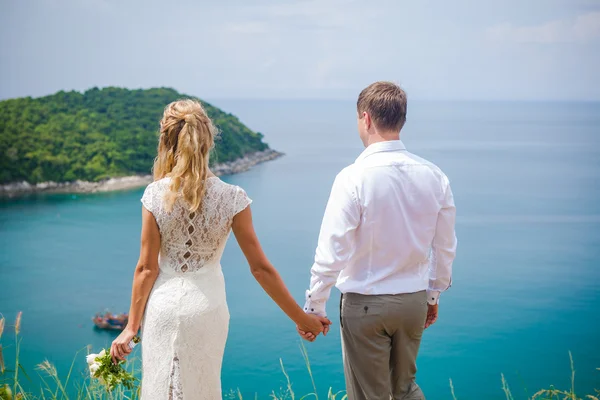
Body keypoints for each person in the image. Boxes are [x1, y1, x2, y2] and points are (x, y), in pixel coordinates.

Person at [109, 99, 331, 399]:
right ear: (208, 140)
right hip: (206, 309)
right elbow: (260, 269)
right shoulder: (232, 198)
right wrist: (303, 319)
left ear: (166, 140)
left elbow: (146, 269)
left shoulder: (154, 194)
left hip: (161, 309)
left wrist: (129, 327)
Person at [299, 82, 457, 400]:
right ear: (401, 119)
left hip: (365, 304)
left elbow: (332, 250)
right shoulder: (434, 175)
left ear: (366, 119)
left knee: (368, 395)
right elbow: (444, 245)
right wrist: (433, 294)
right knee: (405, 388)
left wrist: (314, 305)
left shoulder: (352, 177)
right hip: (413, 300)